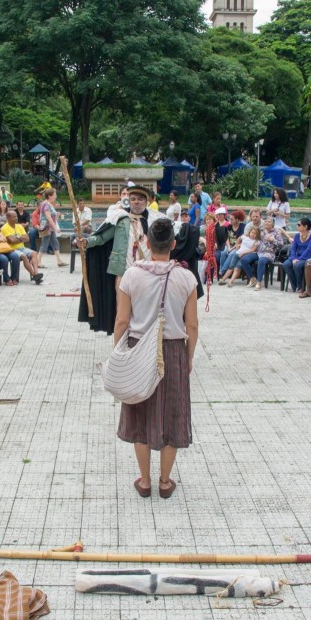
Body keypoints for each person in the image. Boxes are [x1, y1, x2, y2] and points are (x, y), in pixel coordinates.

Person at [114, 219, 197, 499]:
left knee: (140, 413)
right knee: (173, 414)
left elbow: (122, 320)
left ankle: (145, 481)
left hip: (139, 349)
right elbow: (193, 325)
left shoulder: (132, 275)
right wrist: (189, 356)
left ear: (147, 244)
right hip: (173, 350)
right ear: (173, 244)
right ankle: (165, 481)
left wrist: (119, 353)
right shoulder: (186, 278)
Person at [77, 186, 168, 334]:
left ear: (146, 201)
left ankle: (143, 344)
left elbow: (169, 239)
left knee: (146, 310)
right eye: (133, 199)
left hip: (148, 273)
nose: (136, 202)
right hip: (123, 272)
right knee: (122, 312)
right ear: (128, 201)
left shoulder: (155, 220)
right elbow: (102, 237)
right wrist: (87, 242)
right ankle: (121, 348)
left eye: (140, 199)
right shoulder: (120, 219)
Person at [284, 218, 311, 297]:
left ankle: (300, 286)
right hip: (297, 257)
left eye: (299, 225)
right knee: (286, 264)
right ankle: (294, 285)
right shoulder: (297, 236)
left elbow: (309, 250)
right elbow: (293, 248)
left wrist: (298, 259)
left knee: (297, 265)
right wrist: (293, 258)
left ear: (305, 227)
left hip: (308, 257)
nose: (297, 226)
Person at [37, 189, 66, 268]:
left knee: (55, 242)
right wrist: (55, 227)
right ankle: (38, 261)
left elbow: (50, 215)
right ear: (49, 196)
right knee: (45, 243)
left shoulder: (49, 204)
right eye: (54, 194)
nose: (56, 196)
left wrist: (56, 214)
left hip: (50, 228)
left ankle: (59, 260)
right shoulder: (46, 205)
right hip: (47, 227)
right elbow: (48, 217)